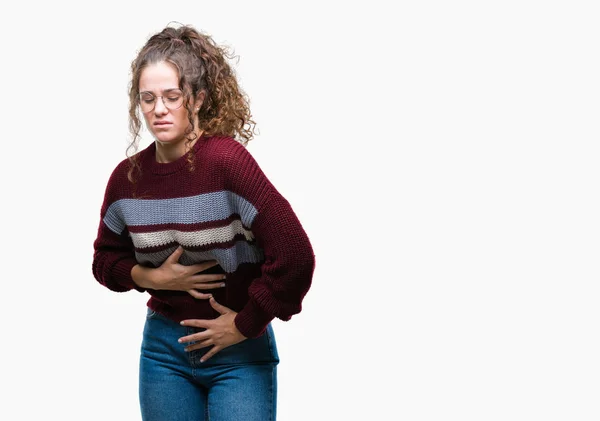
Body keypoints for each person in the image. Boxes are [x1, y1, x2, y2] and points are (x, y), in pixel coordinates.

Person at [91, 23, 315, 421]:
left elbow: (295, 256)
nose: (158, 109)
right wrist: (153, 278)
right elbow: (105, 261)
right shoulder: (127, 180)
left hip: (238, 354)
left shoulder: (227, 163)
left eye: (171, 96)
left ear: (197, 99)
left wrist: (245, 324)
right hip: (164, 353)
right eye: (147, 98)